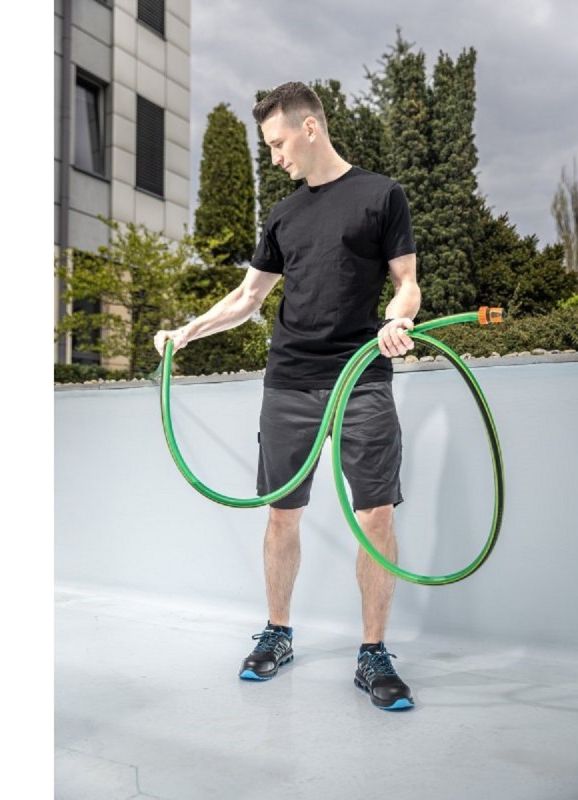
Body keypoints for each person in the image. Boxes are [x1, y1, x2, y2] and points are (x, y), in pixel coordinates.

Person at [154, 81, 421, 711]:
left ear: (309, 128)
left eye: (277, 143)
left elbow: (406, 283)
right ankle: (277, 633)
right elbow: (248, 298)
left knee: (376, 516)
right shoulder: (284, 215)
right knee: (282, 514)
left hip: (361, 377)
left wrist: (399, 319)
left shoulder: (381, 195)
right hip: (290, 380)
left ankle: (373, 652)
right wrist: (188, 331)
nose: (274, 157)